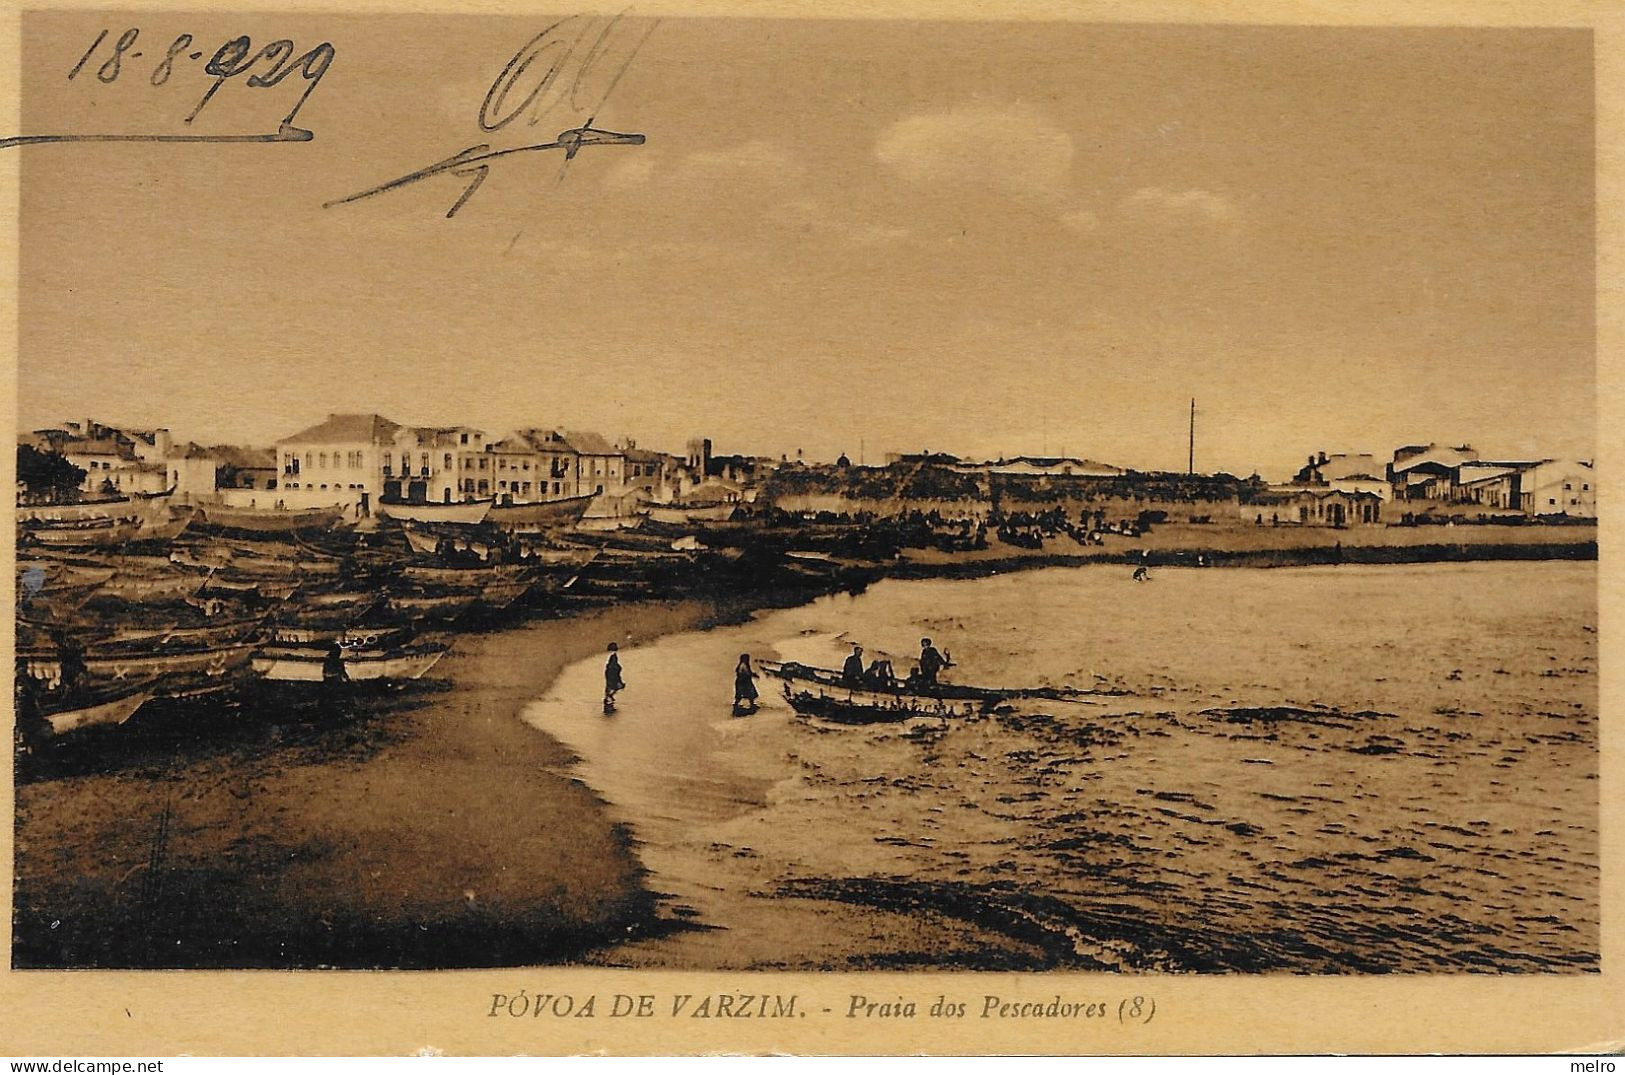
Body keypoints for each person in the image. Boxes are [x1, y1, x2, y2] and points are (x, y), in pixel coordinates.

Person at [603, 643, 625, 713]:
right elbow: (613, 668)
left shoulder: (612, 657)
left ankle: (608, 706)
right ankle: (608, 707)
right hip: (612, 677)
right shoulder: (613, 657)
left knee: (610, 691)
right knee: (611, 691)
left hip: (611, 676)